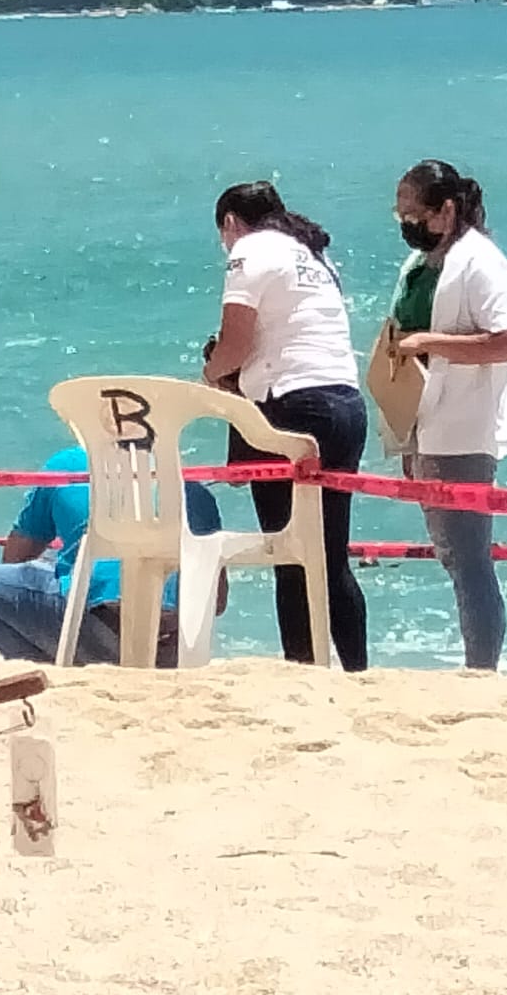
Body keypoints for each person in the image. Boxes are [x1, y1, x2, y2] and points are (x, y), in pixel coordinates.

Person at [201, 181, 368, 672]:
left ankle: (303, 668)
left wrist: (210, 372)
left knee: (289, 552)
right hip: (344, 402)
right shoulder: (313, 256)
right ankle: (357, 670)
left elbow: (235, 343)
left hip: (292, 407)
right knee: (329, 556)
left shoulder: (249, 250)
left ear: (231, 223)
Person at [387, 158, 507, 671]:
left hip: (465, 427)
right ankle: (476, 660)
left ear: (446, 211)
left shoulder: (481, 262)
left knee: (470, 559)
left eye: (415, 214)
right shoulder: (419, 267)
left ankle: (481, 667)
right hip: (423, 423)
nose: (407, 224)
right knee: (452, 556)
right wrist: (405, 438)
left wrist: (435, 344)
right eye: (399, 215)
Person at [0, 446, 223, 667]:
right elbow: (217, 601)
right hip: (169, 643)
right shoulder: (192, 487)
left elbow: (15, 558)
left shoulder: (69, 466)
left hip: (97, 624)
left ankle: (49, 669)